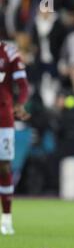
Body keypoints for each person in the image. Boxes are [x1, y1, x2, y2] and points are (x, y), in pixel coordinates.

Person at [0, 40, 30, 235]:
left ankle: (7, 219)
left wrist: (20, 103)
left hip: (3, 116)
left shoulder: (9, 52)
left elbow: (23, 85)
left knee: (3, 165)